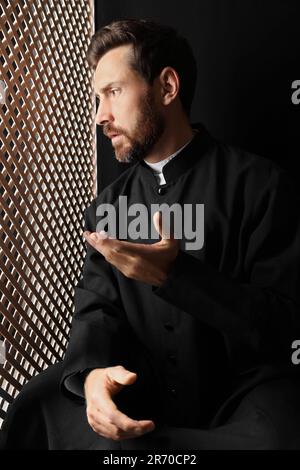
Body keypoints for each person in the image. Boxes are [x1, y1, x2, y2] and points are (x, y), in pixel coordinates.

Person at [1, 18, 300, 450]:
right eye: (96, 99)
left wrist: (176, 276)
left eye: (114, 93)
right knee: (37, 405)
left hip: (243, 394)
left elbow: (284, 325)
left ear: (167, 88)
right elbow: (97, 311)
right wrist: (92, 376)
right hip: (146, 386)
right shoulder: (109, 206)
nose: (101, 116)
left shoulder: (261, 186)